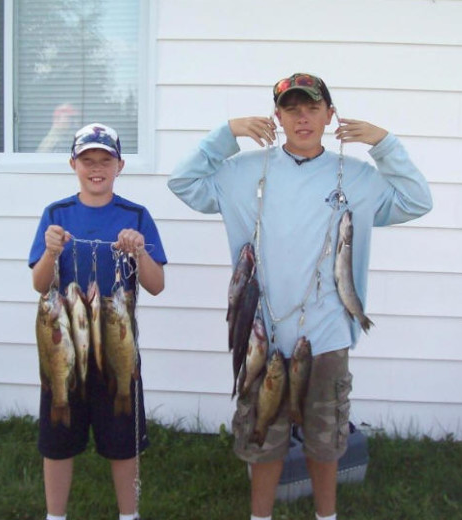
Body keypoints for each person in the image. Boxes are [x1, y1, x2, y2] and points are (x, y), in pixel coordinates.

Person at [168, 73, 432, 520]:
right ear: (278, 116)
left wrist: (384, 143)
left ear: (331, 115)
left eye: (312, 107)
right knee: (263, 437)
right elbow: (184, 183)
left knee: (324, 440)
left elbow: (416, 200)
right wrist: (227, 133)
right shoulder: (244, 173)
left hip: (326, 333)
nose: (302, 117)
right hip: (261, 334)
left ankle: (325, 516)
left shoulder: (359, 178)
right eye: (291, 108)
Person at [29, 123, 167, 520]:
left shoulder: (136, 216)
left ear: (119, 165)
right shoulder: (56, 214)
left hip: (116, 347)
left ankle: (129, 515)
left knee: (123, 441)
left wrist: (140, 251)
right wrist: (50, 252)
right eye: (87, 160)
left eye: (105, 160)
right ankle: (55, 516)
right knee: (58, 441)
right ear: (73, 164)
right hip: (65, 345)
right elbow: (40, 285)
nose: (96, 167)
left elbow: (156, 285)